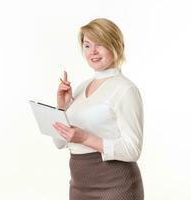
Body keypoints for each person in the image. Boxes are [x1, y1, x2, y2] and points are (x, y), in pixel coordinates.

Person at [52, 18, 144, 200]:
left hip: (116, 185)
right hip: (79, 185)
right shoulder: (80, 88)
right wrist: (61, 107)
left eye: (100, 44)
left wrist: (85, 138)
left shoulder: (125, 89)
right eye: (87, 45)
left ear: (116, 45)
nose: (92, 52)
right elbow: (59, 143)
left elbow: (133, 149)